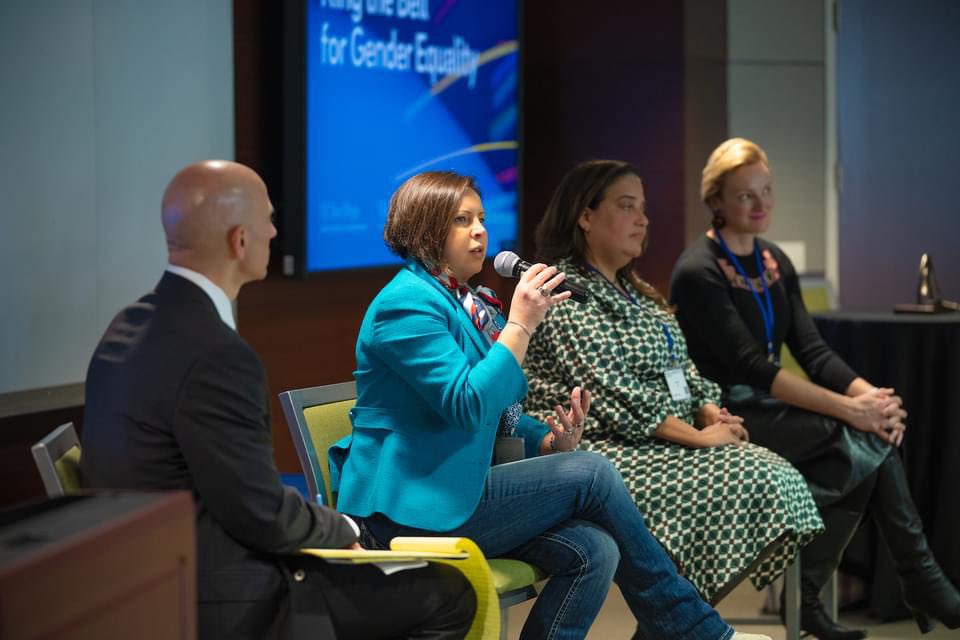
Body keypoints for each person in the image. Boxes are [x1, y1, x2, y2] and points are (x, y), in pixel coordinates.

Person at [330, 170, 771, 640]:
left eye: (481, 217)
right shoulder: (406, 305)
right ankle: (695, 630)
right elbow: (467, 405)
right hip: (410, 510)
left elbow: (503, 413)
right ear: (423, 229)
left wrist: (547, 441)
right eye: (462, 220)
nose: (480, 230)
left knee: (594, 548)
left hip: (456, 487)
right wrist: (520, 325)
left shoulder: (468, 303)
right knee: (592, 472)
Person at [80, 160, 476, 640]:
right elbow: (259, 512)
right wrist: (346, 531)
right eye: (268, 219)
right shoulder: (218, 355)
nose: (274, 230)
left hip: (138, 577)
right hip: (220, 592)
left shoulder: (127, 325)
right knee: (448, 592)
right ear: (239, 241)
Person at [670, 137, 960, 638]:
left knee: (868, 448)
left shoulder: (774, 260)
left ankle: (836, 592)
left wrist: (873, 398)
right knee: (866, 445)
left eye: (767, 191)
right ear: (715, 201)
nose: (762, 205)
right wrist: (853, 413)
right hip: (724, 413)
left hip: (766, 405)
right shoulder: (697, 270)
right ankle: (919, 579)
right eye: (745, 196)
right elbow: (751, 368)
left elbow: (812, 350)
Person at [523, 159, 822, 605]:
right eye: (627, 207)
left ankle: (675, 623)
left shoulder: (638, 290)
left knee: (765, 470)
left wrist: (707, 410)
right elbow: (608, 393)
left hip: (658, 438)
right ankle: (685, 624)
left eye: (643, 208)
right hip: (597, 449)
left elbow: (682, 368)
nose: (643, 219)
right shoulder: (563, 290)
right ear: (585, 216)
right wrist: (702, 440)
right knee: (754, 475)